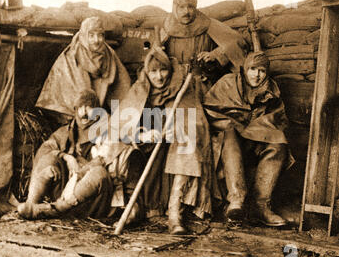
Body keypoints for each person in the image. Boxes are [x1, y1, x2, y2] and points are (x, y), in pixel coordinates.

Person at [113, 46, 213, 234]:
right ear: (146, 72)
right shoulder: (140, 88)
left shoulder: (182, 87)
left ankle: (174, 214)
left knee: (186, 146)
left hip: (173, 147)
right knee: (124, 151)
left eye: (163, 70)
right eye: (153, 71)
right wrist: (142, 134)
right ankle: (132, 208)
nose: (159, 76)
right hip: (146, 147)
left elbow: (195, 122)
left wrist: (174, 132)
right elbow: (120, 125)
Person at [18, 89, 143, 222]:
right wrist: (66, 157)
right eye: (80, 108)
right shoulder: (66, 132)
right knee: (50, 157)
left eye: (89, 108)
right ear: (74, 109)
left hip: (93, 201)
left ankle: (56, 210)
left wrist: (82, 171)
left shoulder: (110, 130)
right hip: (65, 192)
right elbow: (45, 150)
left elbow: (125, 157)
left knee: (98, 172)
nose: (84, 113)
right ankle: (32, 206)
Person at [203, 51, 294, 226]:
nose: (256, 75)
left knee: (278, 142)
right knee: (229, 134)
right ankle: (236, 200)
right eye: (252, 69)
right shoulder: (228, 83)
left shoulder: (271, 92)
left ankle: (261, 205)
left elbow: (279, 121)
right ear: (245, 68)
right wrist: (233, 123)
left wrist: (258, 128)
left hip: (253, 140)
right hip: (223, 139)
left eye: (261, 71)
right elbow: (208, 110)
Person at [35, 16, 131, 118]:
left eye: (100, 35)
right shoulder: (71, 56)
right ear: (84, 36)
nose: (96, 40)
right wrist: (85, 108)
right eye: (91, 35)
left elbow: (123, 84)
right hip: (72, 113)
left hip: (100, 111)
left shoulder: (108, 53)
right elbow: (71, 90)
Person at [161, 0, 247, 88]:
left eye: (190, 6)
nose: (186, 12)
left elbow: (237, 42)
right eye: (181, 7)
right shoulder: (167, 27)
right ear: (175, 7)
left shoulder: (207, 24)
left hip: (204, 82)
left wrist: (216, 54)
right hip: (173, 83)